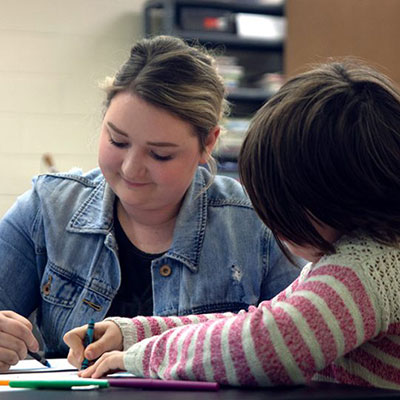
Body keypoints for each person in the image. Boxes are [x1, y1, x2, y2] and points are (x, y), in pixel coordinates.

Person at [64, 59, 400, 390]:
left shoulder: (370, 266)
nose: (273, 224)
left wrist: (140, 357)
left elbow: (268, 344)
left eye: (277, 208)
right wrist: (134, 334)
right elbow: (252, 321)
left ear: (328, 197)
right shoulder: (354, 259)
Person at [0, 35, 300, 371]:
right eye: (118, 140)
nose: (131, 168)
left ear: (208, 144)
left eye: (160, 154)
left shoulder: (256, 224)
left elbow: (300, 343)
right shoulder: (46, 208)